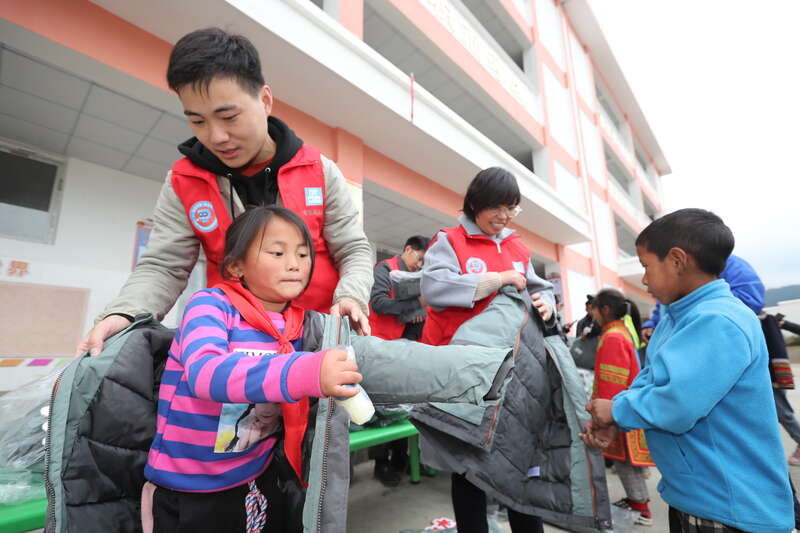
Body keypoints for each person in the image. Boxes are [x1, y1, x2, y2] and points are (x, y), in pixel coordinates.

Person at [77, 27, 373, 357]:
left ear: (265, 100)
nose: (216, 137)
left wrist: (351, 297)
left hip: (321, 343)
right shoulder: (183, 181)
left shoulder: (319, 169)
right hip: (237, 352)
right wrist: (124, 313)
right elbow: (164, 266)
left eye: (228, 117)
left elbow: (354, 249)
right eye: (197, 121)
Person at [145, 206, 362, 532]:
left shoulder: (300, 324)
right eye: (277, 252)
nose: (294, 264)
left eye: (303, 255)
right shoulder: (212, 306)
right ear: (236, 265)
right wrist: (306, 372)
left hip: (257, 475)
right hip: (191, 487)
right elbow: (206, 374)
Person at [582, 208, 794, 533]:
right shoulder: (676, 316)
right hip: (693, 494)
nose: (644, 279)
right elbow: (652, 379)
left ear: (677, 260)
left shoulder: (717, 320)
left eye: (646, 266)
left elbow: (676, 404)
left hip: (727, 505)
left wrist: (616, 409)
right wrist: (617, 420)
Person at [420, 167, 554, 533]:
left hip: (515, 372)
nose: (505, 217)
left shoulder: (518, 247)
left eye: (512, 209)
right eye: (497, 207)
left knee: (522, 462)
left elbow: (541, 287)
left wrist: (547, 302)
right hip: (466, 370)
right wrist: (497, 280)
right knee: (470, 465)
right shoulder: (449, 241)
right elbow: (434, 287)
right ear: (476, 202)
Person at [367, 235, 430, 486]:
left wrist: (417, 312)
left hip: (400, 347)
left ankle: (399, 461)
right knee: (379, 408)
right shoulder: (384, 269)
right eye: (420, 258)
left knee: (399, 406)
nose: (420, 265)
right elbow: (379, 303)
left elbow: (416, 312)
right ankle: (380, 464)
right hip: (375, 345)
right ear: (407, 249)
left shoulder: (417, 279)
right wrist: (415, 307)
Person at [590, 289, 654, 526]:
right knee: (626, 461)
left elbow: (611, 380)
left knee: (625, 461)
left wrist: (603, 417)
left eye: (595, 309)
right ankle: (638, 500)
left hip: (617, 410)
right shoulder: (619, 333)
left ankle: (640, 506)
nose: (593, 314)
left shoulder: (613, 337)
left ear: (605, 309)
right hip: (624, 406)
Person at [640, 254, 764, 342]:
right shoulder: (677, 267)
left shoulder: (730, 263)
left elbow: (751, 300)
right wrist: (653, 324)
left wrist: (693, 301)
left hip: (716, 339)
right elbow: (664, 304)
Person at [761, 312, 800, 465]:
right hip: (773, 375)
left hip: (772, 376)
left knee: (783, 413)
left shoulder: (764, 320)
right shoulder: (765, 319)